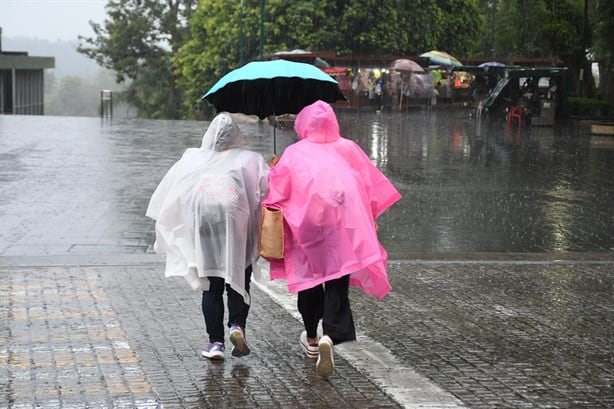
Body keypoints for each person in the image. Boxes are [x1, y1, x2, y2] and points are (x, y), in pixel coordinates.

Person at [263, 100, 402, 377]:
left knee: (310, 279)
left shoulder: (294, 152)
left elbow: (277, 194)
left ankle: (312, 338)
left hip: (308, 227)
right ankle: (331, 335)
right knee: (337, 279)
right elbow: (369, 187)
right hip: (343, 224)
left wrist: (275, 168)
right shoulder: (349, 148)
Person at [146, 113, 269, 360]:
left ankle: (215, 343)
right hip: (237, 232)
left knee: (211, 289)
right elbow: (265, 191)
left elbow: (175, 192)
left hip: (204, 232)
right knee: (238, 282)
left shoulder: (192, 159)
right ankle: (236, 326)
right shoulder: (249, 159)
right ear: (236, 136)